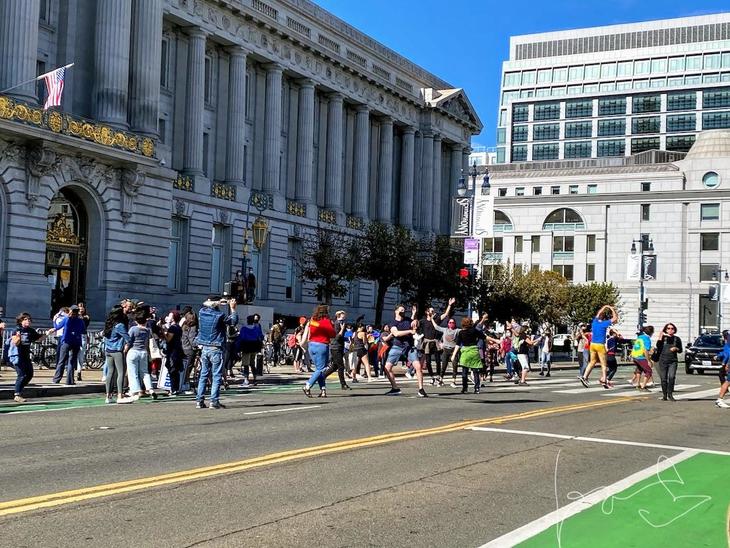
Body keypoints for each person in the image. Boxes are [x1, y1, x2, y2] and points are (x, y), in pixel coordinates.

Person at [195, 297, 239, 409]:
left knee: (203, 375)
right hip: (216, 347)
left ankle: (199, 400)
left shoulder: (202, 312)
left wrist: (218, 302)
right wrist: (233, 309)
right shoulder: (219, 315)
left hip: (205, 347)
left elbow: (208, 306)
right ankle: (214, 401)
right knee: (216, 375)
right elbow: (233, 322)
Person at [383, 304, 428, 397]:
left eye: (404, 310)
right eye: (401, 310)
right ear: (396, 311)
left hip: (410, 347)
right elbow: (396, 333)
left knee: (418, 366)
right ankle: (395, 388)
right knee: (387, 368)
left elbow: (414, 323)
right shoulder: (392, 323)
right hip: (397, 346)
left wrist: (415, 318)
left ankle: (421, 389)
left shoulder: (408, 320)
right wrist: (410, 331)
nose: (403, 312)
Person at [7, 312, 52, 402]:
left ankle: (18, 389)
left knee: (29, 374)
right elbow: (15, 343)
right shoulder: (17, 329)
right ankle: (17, 394)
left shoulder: (30, 331)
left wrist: (48, 333)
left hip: (26, 356)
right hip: (17, 355)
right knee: (22, 374)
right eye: (25, 319)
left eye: (29, 319)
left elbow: (38, 339)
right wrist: (18, 337)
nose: (28, 321)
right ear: (21, 321)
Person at [579, 305, 618, 388]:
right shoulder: (604, 323)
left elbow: (598, 313)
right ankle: (604, 380)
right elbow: (615, 318)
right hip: (600, 345)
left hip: (592, 344)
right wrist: (611, 309)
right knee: (604, 364)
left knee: (592, 361)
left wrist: (604, 307)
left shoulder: (594, 322)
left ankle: (584, 376)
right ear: (604, 318)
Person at [302, 304, 336, 398]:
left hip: (311, 345)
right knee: (321, 369)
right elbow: (333, 334)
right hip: (322, 345)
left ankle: (323, 390)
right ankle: (307, 386)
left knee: (319, 369)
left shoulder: (313, 320)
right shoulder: (326, 321)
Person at [51, 305, 88, 385]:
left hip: (66, 341)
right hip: (76, 342)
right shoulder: (80, 321)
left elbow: (57, 327)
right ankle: (70, 380)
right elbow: (83, 330)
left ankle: (56, 379)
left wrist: (54, 320)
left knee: (61, 360)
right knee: (72, 361)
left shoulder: (66, 319)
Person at [451, 317, 487, 394]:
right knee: (475, 370)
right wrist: (495, 340)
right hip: (474, 351)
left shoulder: (461, 332)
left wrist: (453, 355)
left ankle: (465, 388)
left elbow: (457, 344)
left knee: (464, 371)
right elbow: (484, 337)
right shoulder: (474, 331)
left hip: (465, 352)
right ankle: (477, 388)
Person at [126, 310, 155, 401]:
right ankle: (150, 389)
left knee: (133, 372)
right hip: (143, 352)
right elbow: (147, 343)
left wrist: (125, 349)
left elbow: (129, 341)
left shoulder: (133, 329)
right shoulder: (147, 330)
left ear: (136, 321)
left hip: (133, 351)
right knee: (145, 372)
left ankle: (135, 391)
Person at [103, 307, 131, 403]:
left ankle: (108, 396)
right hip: (117, 350)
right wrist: (127, 345)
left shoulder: (108, 324)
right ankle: (120, 395)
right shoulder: (120, 325)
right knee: (121, 373)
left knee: (110, 372)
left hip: (108, 350)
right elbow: (128, 338)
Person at [655, 323, 683, 402]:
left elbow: (680, 350)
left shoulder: (677, 339)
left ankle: (670, 394)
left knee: (671, 377)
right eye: (668, 328)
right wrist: (660, 337)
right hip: (663, 360)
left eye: (672, 328)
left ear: (674, 330)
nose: (670, 330)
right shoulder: (663, 338)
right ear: (666, 330)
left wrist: (676, 348)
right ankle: (664, 395)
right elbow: (658, 346)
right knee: (663, 378)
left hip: (673, 361)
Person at [324, 310, 350, 390]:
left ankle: (322, 377)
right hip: (336, 347)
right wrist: (342, 329)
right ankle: (343, 384)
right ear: (338, 316)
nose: (345, 316)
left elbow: (341, 337)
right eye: (343, 315)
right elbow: (337, 337)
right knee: (341, 366)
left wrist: (346, 338)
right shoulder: (337, 324)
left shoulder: (342, 323)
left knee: (335, 366)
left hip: (339, 346)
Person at [237, 314, 264, 386]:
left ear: (247, 321)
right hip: (254, 347)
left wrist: (238, 349)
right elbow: (260, 337)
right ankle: (255, 379)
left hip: (246, 347)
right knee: (252, 363)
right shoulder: (256, 328)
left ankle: (246, 380)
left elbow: (240, 338)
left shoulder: (244, 328)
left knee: (246, 364)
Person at [163, 310, 184, 396]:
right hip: (177, 350)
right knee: (176, 370)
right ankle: (176, 388)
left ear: (173, 318)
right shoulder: (178, 327)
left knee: (172, 370)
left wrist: (163, 332)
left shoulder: (172, 328)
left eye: (170, 316)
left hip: (172, 351)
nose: (168, 317)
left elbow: (168, 339)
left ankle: (173, 389)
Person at [630, 325, 655, 391]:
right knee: (649, 371)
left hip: (635, 356)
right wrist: (648, 360)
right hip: (641, 357)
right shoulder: (647, 339)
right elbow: (646, 351)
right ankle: (643, 386)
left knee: (639, 369)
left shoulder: (640, 337)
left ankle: (638, 384)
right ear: (651, 332)